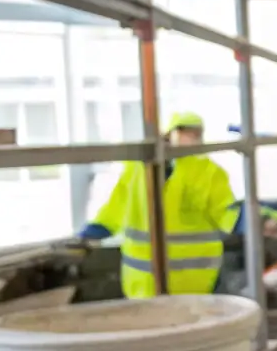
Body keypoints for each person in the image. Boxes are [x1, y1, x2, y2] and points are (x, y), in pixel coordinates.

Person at [79, 110, 242, 297]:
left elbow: (225, 210)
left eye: (196, 134)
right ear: (169, 134)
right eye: (185, 132)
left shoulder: (209, 172)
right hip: (143, 279)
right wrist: (99, 228)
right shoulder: (137, 169)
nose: (192, 139)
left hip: (194, 280)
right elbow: (118, 204)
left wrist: (249, 220)